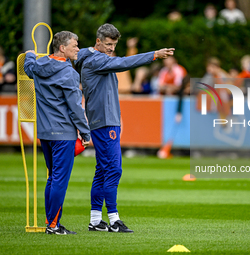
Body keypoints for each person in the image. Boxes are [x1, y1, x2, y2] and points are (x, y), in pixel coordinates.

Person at [75, 23, 174, 233]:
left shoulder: (93, 57)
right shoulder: (95, 60)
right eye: (108, 44)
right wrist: (153, 55)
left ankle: (95, 220)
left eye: (114, 44)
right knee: (113, 169)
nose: (111, 48)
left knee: (102, 170)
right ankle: (113, 219)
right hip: (104, 122)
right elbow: (124, 63)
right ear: (98, 42)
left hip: (105, 121)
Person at [24, 31, 91, 235]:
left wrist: (29, 53)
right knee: (59, 179)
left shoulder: (38, 65)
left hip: (45, 133)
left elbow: (28, 67)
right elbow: (75, 108)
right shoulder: (69, 73)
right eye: (75, 45)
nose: (78, 48)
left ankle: (51, 222)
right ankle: (53, 225)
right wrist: (86, 134)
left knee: (52, 178)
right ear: (62, 48)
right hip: (64, 133)